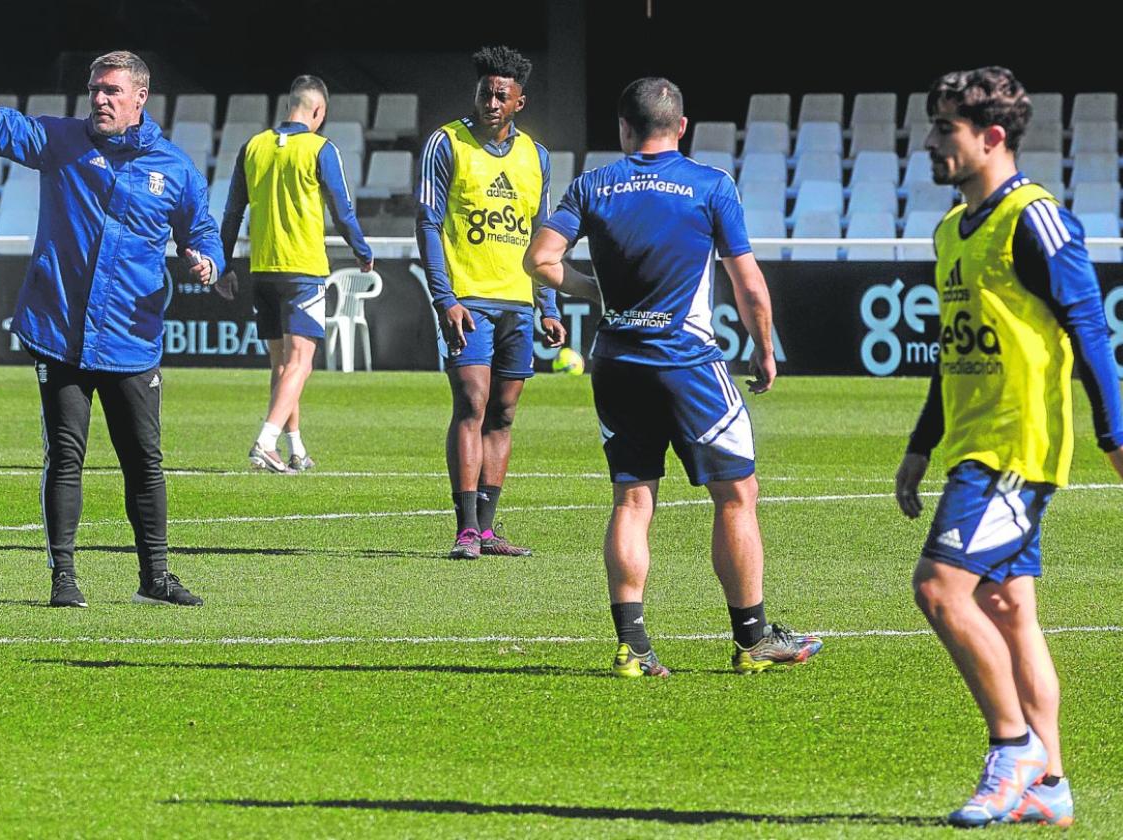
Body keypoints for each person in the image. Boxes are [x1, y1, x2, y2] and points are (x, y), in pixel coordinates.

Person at [523, 77, 822, 677]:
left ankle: (633, 647)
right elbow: (750, 285)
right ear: (681, 127)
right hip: (687, 361)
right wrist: (766, 350)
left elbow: (539, 260)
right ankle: (752, 639)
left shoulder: (592, 184)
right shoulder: (711, 185)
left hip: (616, 360)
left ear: (623, 128)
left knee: (633, 499)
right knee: (737, 496)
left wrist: (597, 293)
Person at [895, 66, 1123, 828]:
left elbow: (1090, 330)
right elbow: (951, 348)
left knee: (939, 589)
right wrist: (921, 447)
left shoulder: (1037, 219)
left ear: (991, 136)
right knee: (1007, 605)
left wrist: (1114, 435)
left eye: (944, 130)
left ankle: (1012, 745)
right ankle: (1050, 783)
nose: (930, 142)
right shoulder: (950, 231)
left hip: (1014, 450)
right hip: (970, 445)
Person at [0, 51, 223, 608]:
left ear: (140, 98)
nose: (101, 99)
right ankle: (64, 579)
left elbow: (202, 229)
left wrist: (207, 258)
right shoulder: (58, 141)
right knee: (65, 457)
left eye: (112, 91)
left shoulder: (175, 169)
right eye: (94, 90)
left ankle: (154, 580)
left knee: (145, 464)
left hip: (131, 342)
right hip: (59, 332)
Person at [416, 45, 567, 560]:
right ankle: (463, 530)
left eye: (502, 94)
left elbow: (541, 240)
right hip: (469, 301)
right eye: (486, 92)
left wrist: (546, 305)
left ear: (520, 101)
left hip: (518, 304)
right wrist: (445, 298)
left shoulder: (537, 158)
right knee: (473, 402)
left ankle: (486, 527)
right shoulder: (447, 143)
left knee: (503, 413)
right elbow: (429, 223)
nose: (492, 101)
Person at [218, 75, 374, 474]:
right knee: (301, 363)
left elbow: (232, 211)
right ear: (318, 111)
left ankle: (296, 448)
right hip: (303, 270)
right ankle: (265, 442)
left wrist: (223, 263)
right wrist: (362, 250)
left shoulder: (252, 146)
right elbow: (342, 210)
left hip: (263, 269)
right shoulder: (320, 148)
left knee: (282, 365)